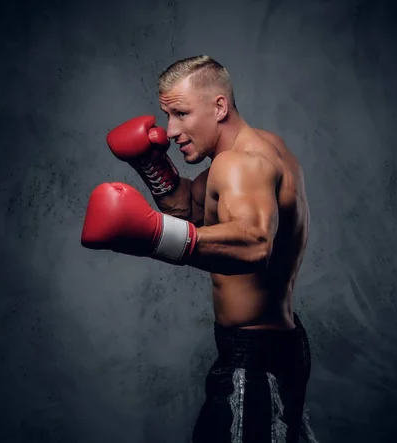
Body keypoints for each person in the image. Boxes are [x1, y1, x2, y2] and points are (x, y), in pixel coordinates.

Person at [81, 55, 318, 443]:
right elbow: (195, 211)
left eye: (181, 114)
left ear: (219, 106)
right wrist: (152, 165)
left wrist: (154, 235)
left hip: (254, 359)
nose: (171, 130)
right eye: (167, 116)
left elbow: (255, 243)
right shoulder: (261, 149)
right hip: (272, 347)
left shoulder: (238, 165)